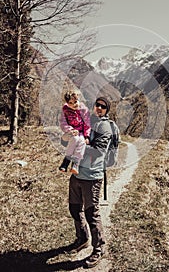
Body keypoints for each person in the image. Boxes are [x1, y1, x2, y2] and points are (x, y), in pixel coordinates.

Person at [68, 96, 112, 268]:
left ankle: (99, 248)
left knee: (91, 214)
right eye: (97, 105)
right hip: (77, 173)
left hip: (92, 176)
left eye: (103, 106)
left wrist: (78, 145)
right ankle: (83, 238)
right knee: (74, 207)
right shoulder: (87, 121)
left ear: (107, 110)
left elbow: (99, 152)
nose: (99, 108)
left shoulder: (105, 127)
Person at [59, 90, 91, 175]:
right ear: (67, 103)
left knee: (82, 142)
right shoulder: (65, 110)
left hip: (81, 131)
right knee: (74, 139)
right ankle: (66, 162)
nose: (74, 105)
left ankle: (75, 164)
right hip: (71, 131)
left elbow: (87, 124)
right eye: (70, 103)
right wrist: (70, 129)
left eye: (75, 102)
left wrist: (86, 136)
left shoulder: (83, 109)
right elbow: (63, 122)